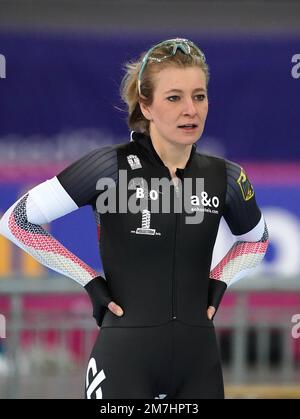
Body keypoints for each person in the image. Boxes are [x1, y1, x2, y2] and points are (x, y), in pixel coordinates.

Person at [0, 38, 269, 399]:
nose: (190, 109)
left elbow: (257, 240)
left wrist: (219, 281)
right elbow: (16, 221)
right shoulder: (108, 166)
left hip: (198, 363)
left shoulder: (226, 177)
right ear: (146, 104)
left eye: (199, 96)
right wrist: (90, 281)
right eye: (174, 98)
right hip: (125, 361)